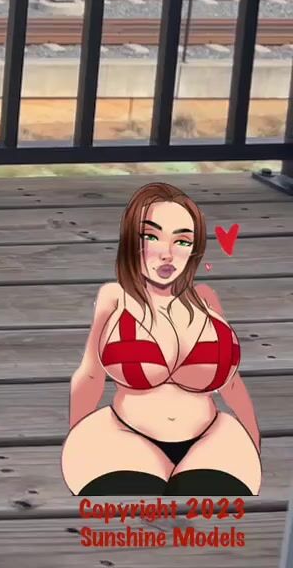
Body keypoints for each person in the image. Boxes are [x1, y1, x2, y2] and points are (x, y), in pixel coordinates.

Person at [60, 181, 261, 495]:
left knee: (218, 497)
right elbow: (90, 375)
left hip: (212, 437)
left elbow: (232, 383)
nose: (167, 254)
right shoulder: (115, 298)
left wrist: (253, 438)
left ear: (194, 248)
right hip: (124, 435)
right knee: (128, 497)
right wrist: (77, 437)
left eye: (182, 241)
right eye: (152, 237)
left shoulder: (206, 299)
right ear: (131, 241)